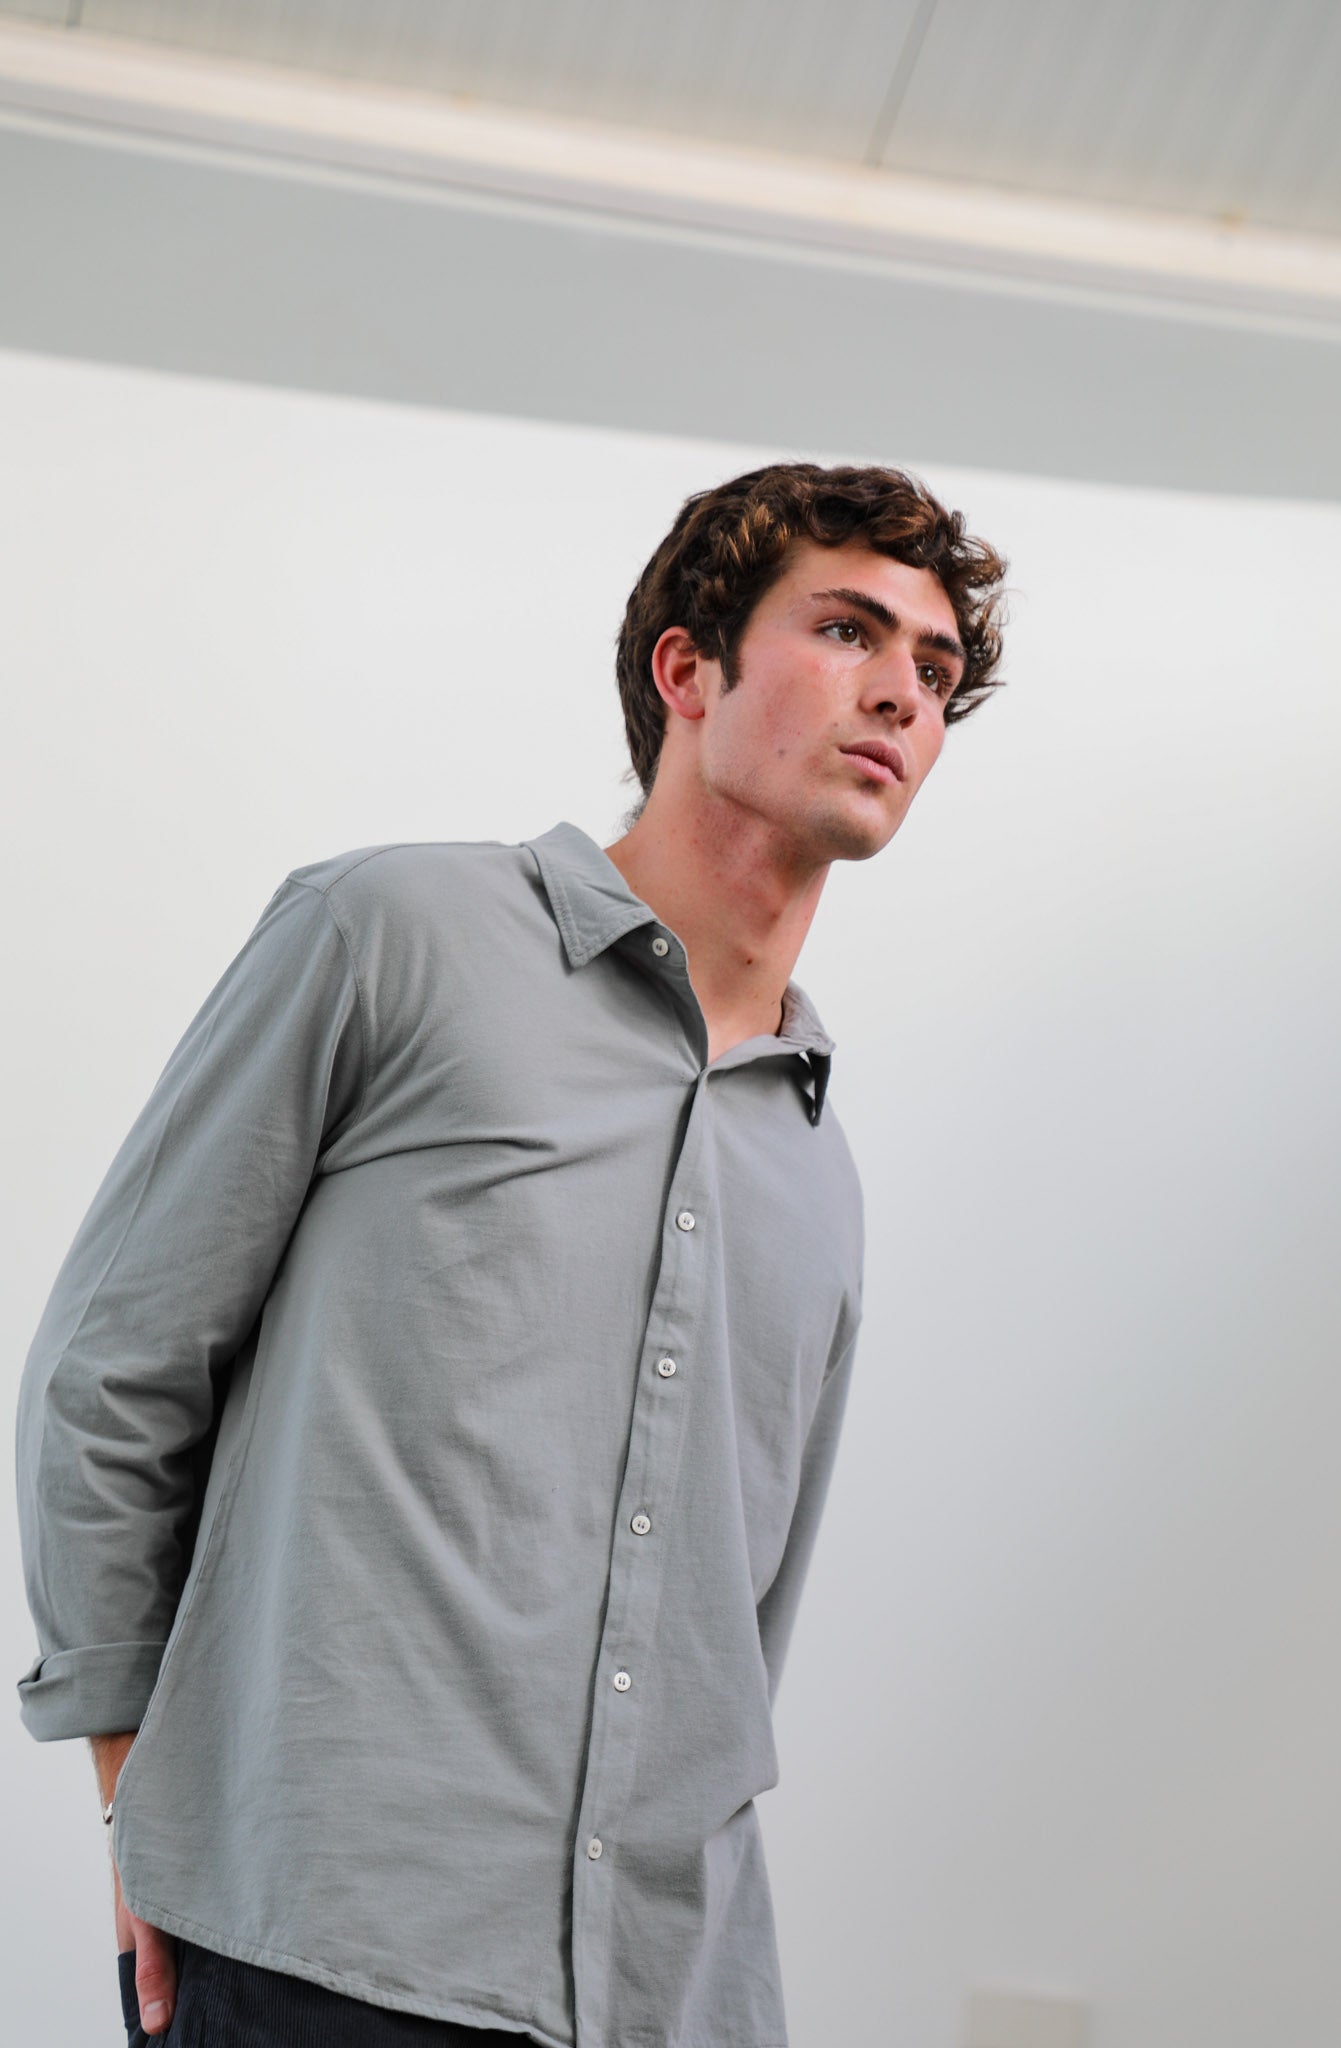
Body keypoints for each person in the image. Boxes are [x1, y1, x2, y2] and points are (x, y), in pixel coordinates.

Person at [14, 459, 1007, 2047]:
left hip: (667, 1994)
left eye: (936, 670)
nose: (901, 691)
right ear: (686, 670)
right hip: (323, 1952)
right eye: (845, 631)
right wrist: (144, 1789)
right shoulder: (391, 934)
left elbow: (739, 1629)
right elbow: (112, 1368)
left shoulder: (814, 1163)